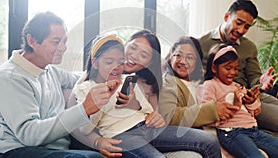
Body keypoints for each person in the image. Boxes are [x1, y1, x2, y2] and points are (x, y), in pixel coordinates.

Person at [73, 32, 222, 158]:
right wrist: (97, 137)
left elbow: (148, 110)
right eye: (133, 48)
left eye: (143, 54)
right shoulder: (87, 84)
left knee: (210, 140)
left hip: (147, 127)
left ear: (149, 63)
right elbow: (79, 125)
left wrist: (151, 114)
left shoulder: (131, 80)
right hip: (121, 134)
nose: (134, 56)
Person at [0, 12, 111, 158]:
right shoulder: (11, 77)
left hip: (54, 149)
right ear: (32, 41)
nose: (63, 48)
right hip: (17, 150)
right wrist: (84, 109)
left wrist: (117, 73)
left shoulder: (49, 70)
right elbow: (29, 135)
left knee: (115, 149)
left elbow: (77, 78)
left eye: (64, 41)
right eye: (56, 41)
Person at [199, 0, 278, 132]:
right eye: (238, 23)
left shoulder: (249, 47)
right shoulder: (201, 43)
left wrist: (260, 83)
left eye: (247, 27)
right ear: (226, 17)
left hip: (251, 95)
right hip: (232, 99)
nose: (241, 30)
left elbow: (254, 78)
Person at [201, 44, 278, 158]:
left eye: (236, 68)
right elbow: (208, 114)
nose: (233, 72)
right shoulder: (210, 85)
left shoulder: (237, 86)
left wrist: (251, 101)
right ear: (214, 68)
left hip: (253, 130)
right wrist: (235, 104)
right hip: (232, 133)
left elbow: (254, 112)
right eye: (228, 68)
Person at [159, 36, 239, 128]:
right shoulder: (167, 84)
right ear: (170, 57)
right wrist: (211, 110)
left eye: (189, 57)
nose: (183, 61)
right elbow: (170, 116)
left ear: (197, 62)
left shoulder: (205, 81)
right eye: (178, 55)